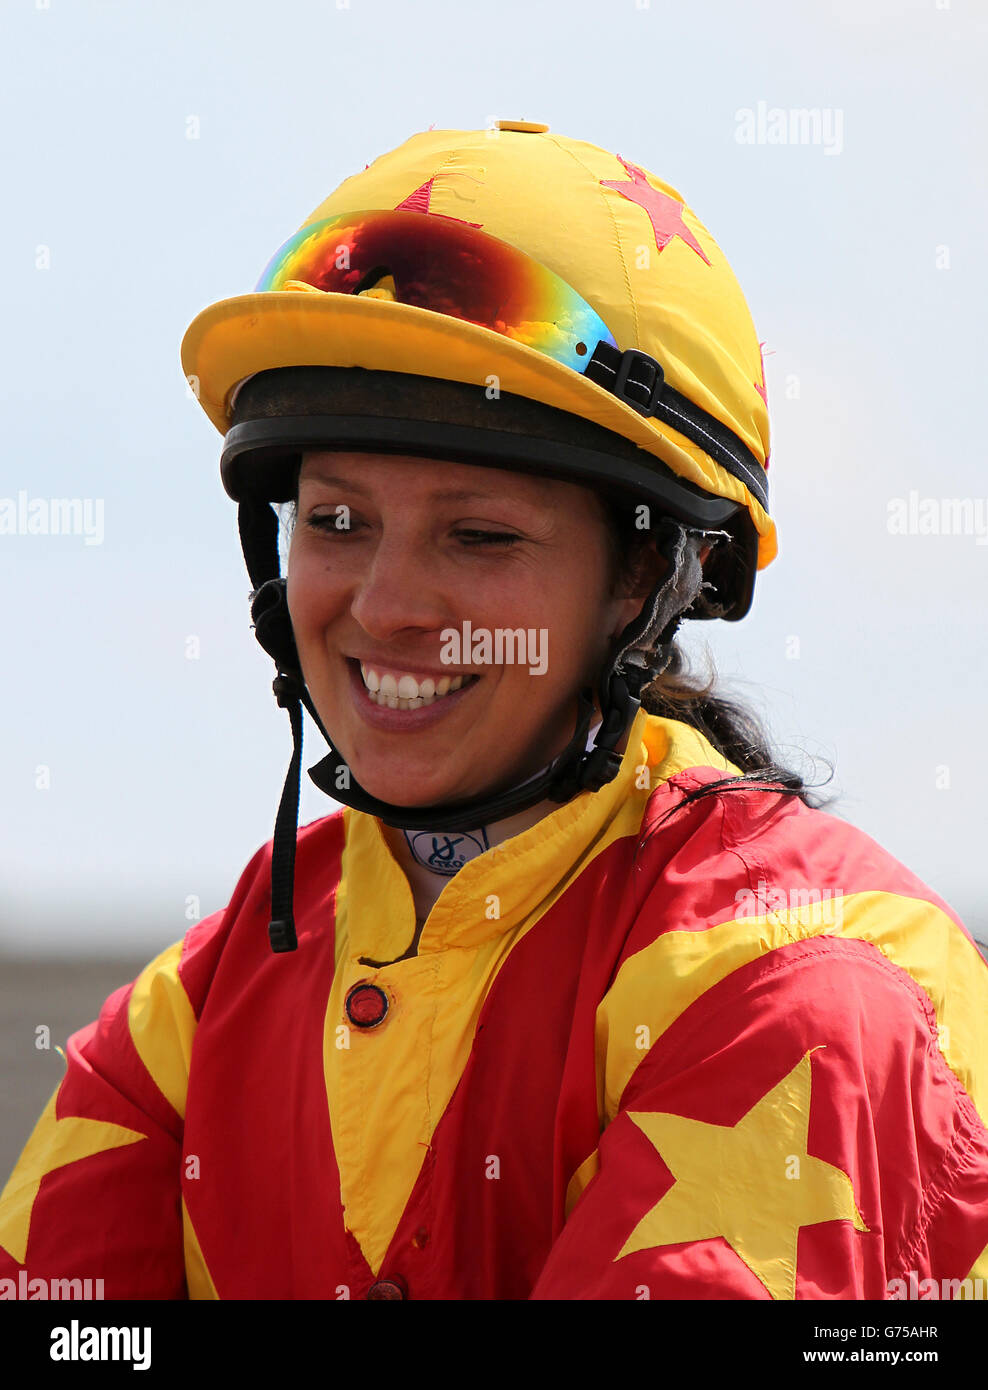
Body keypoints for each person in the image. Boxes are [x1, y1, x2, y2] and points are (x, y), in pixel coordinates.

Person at [2, 121, 986, 1302]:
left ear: (645, 583)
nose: (386, 604)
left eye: (479, 535)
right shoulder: (177, 1021)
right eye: (336, 520)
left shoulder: (805, 984)